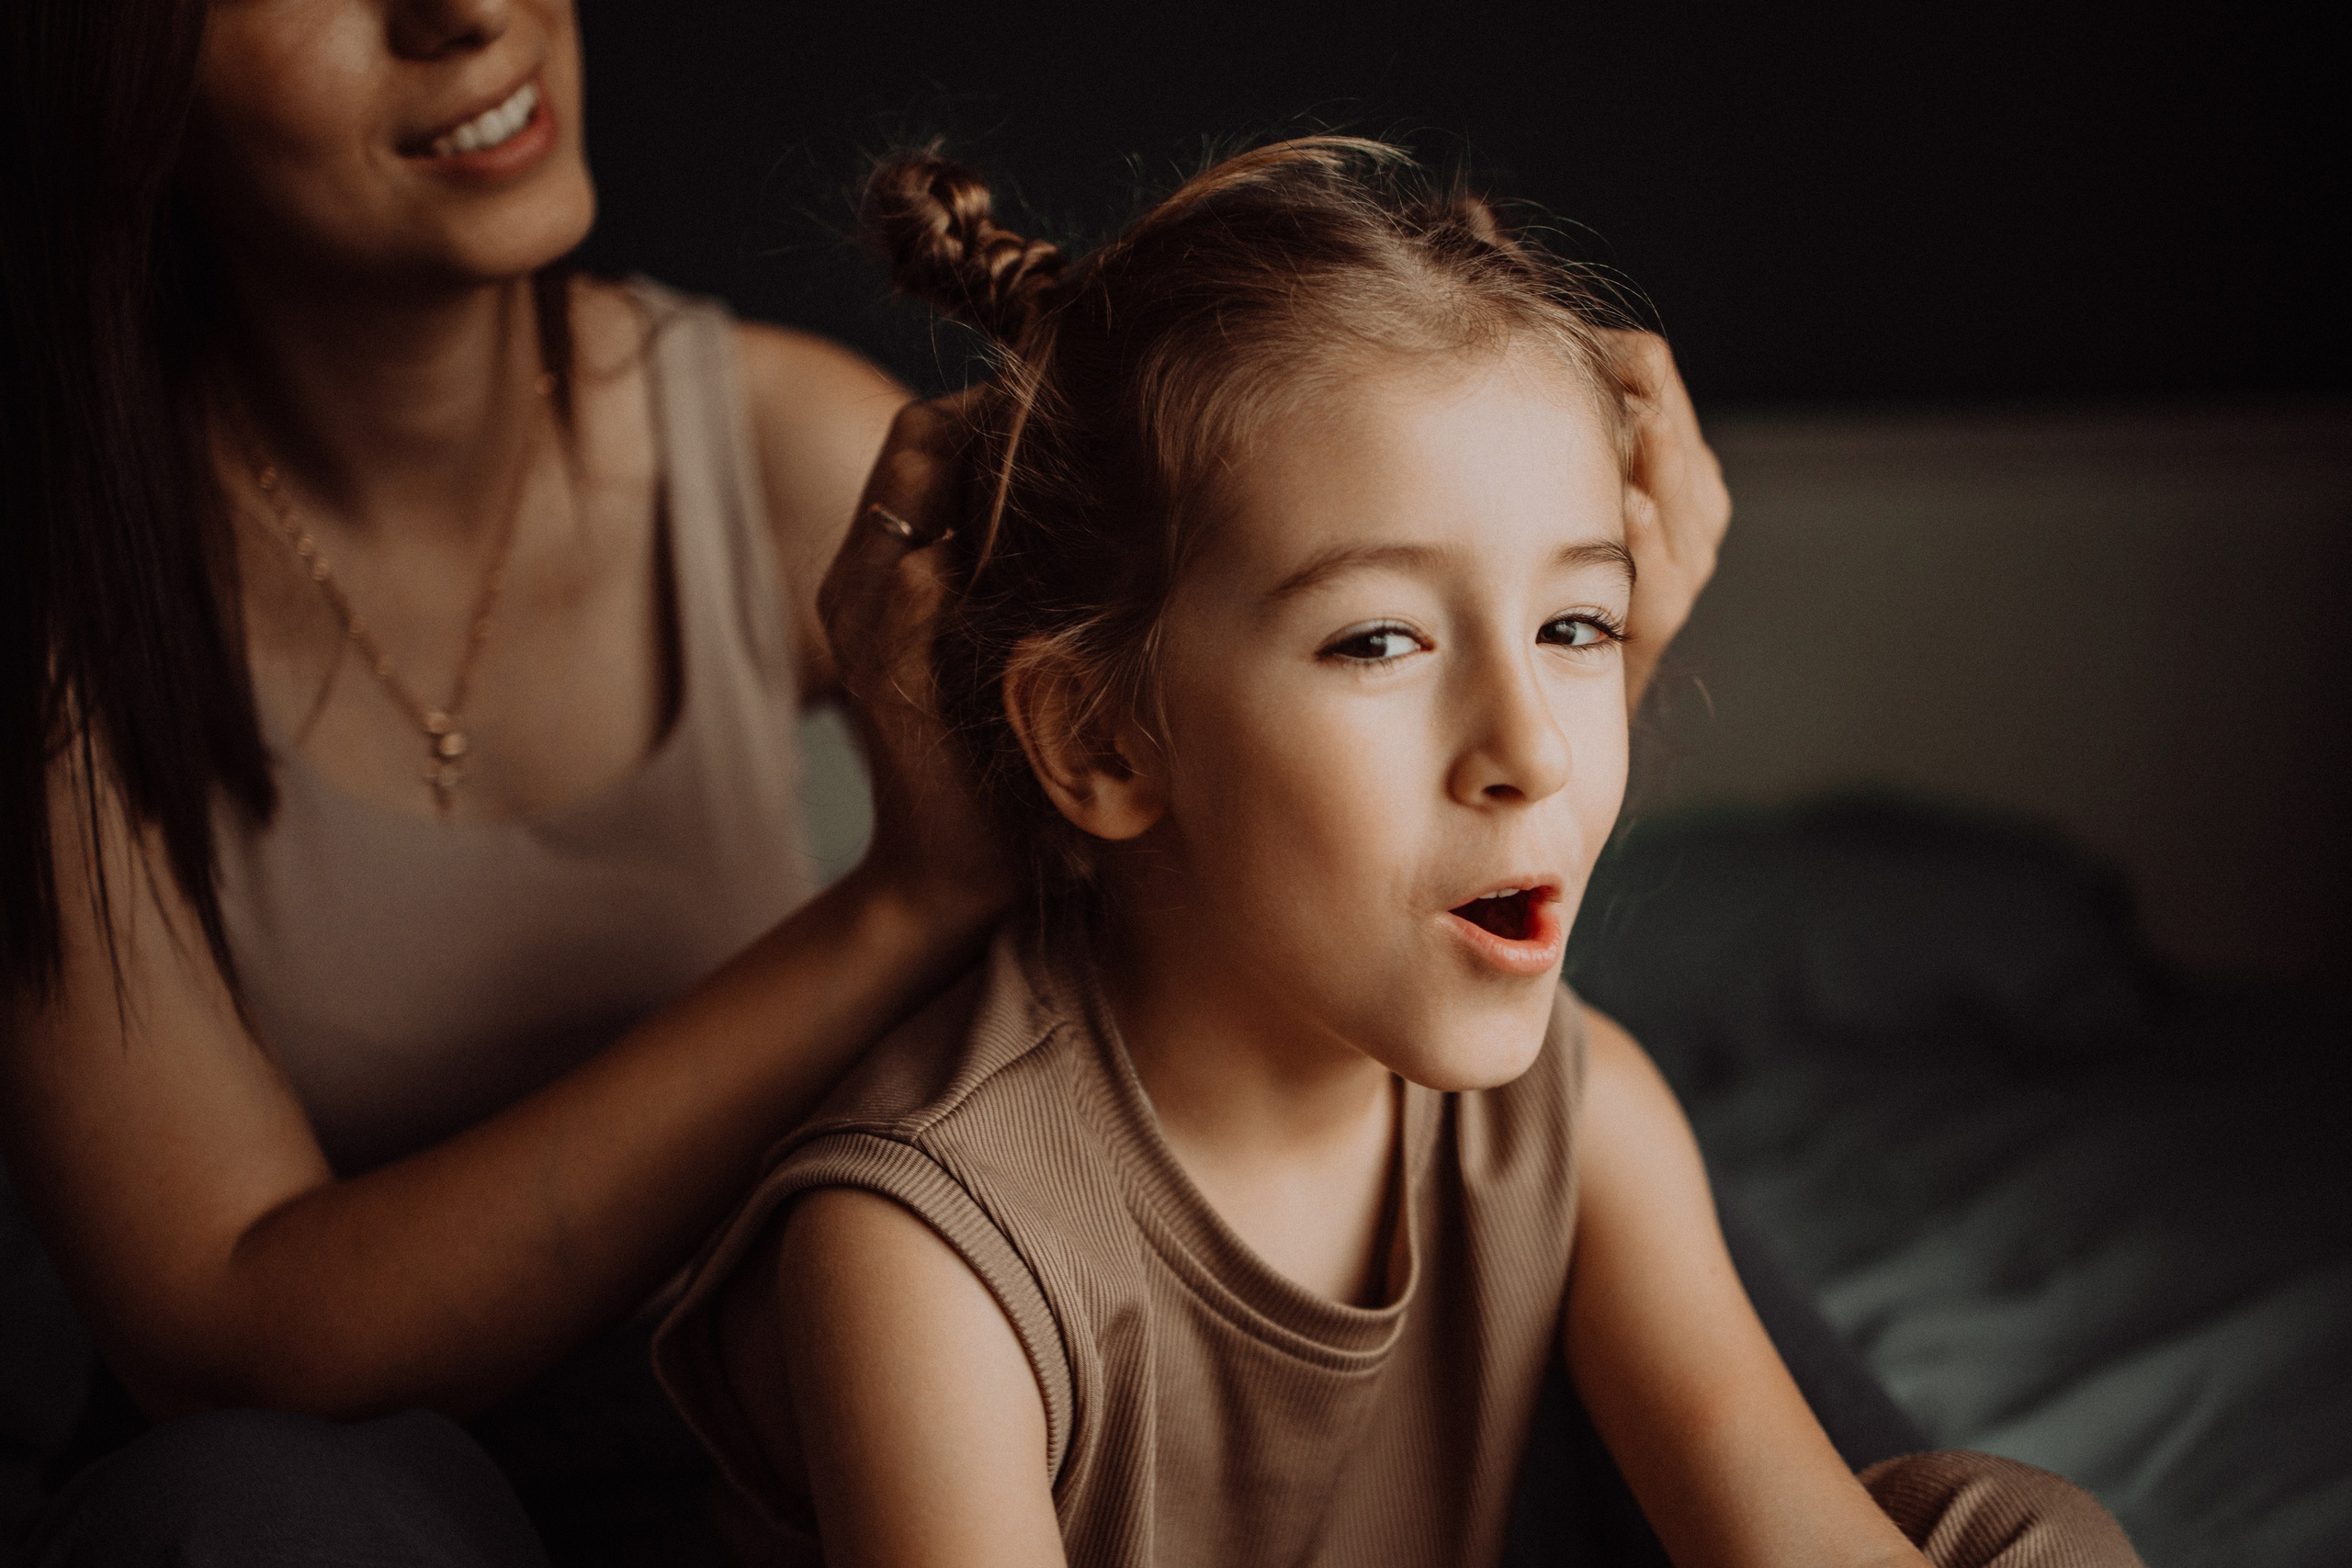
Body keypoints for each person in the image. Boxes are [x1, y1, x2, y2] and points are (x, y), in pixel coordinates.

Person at [0, 4, 1716, 1565]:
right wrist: (909, 905)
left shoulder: (767, 444)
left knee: (1554, 1144)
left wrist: (1569, 645)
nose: (463, 10)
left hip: (846, 1451)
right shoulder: (65, 602)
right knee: (246, 1514)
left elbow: (1233, 846)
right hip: (402, 1503)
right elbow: (232, 1332)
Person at [651, 141, 2147, 1568]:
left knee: (2020, 1538)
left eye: (1576, 626)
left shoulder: (1581, 1112)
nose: (1535, 746)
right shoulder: (922, 1256)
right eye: (1381, 639)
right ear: (1104, 741)